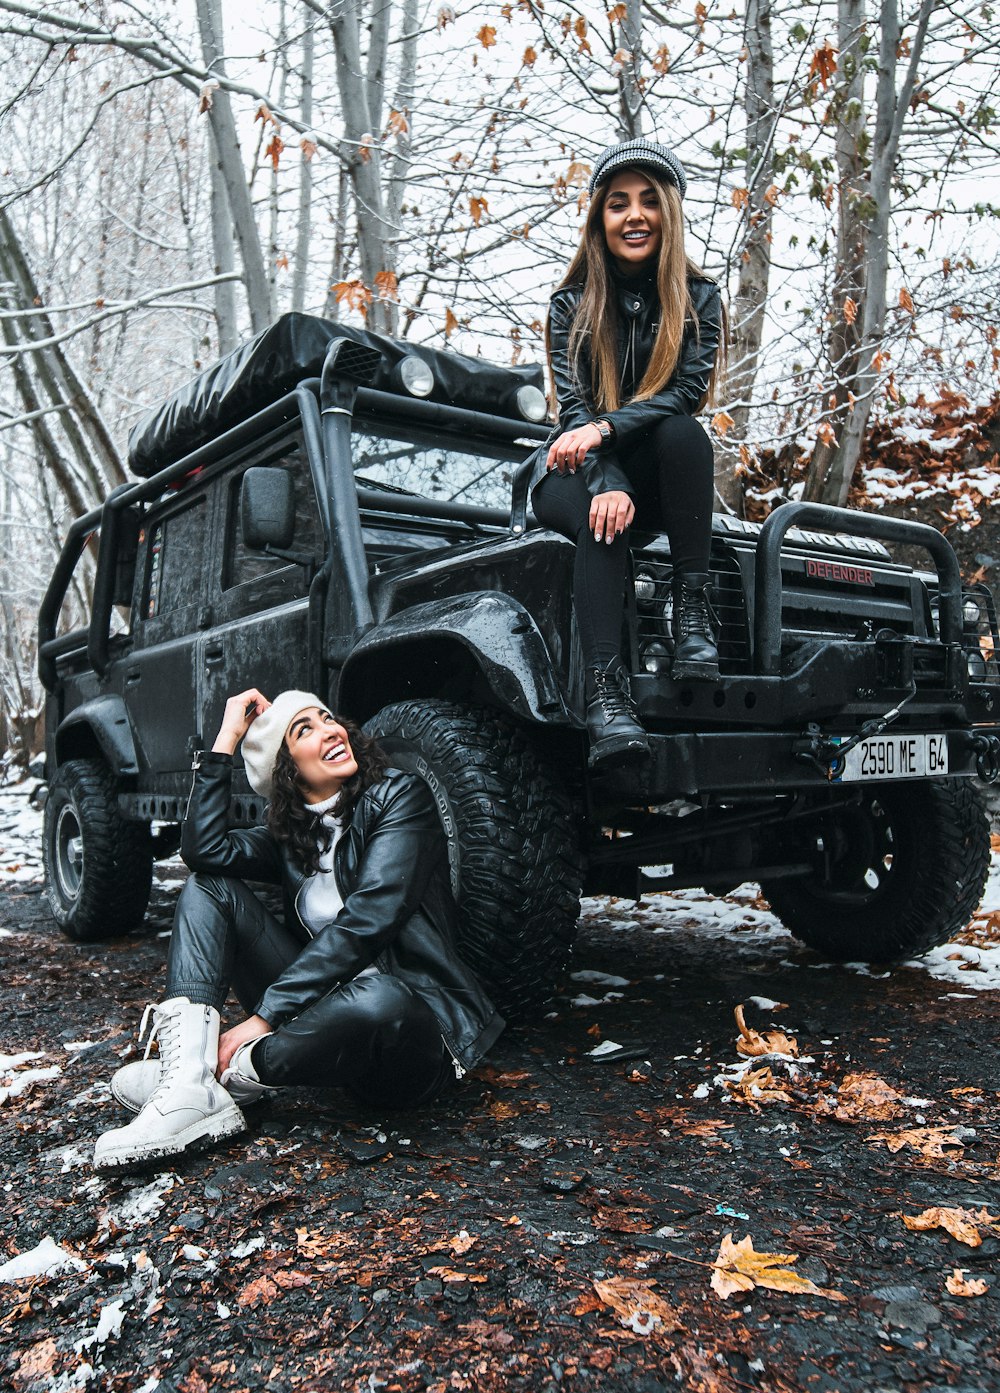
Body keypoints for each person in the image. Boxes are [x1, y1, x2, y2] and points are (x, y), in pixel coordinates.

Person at [93, 689, 504, 1170]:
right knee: (209, 888)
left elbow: (370, 918)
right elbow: (203, 851)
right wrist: (225, 740)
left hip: (408, 1038)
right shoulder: (291, 839)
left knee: (379, 996)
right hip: (319, 1022)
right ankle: (187, 1083)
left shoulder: (398, 797)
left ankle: (219, 1081)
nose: (331, 729)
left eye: (328, 718)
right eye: (303, 729)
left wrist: (264, 1015)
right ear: (283, 769)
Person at [528, 139, 726, 767]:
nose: (634, 215)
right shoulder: (571, 306)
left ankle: (692, 614)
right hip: (569, 473)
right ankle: (606, 696)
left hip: (651, 468)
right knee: (602, 517)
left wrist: (611, 437)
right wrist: (606, 476)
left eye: (648, 201)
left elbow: (686, 395)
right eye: (618, 204)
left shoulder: (698, 299)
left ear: (669, 213)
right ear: (599, 220)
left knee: (684, 435)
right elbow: (576, 416)